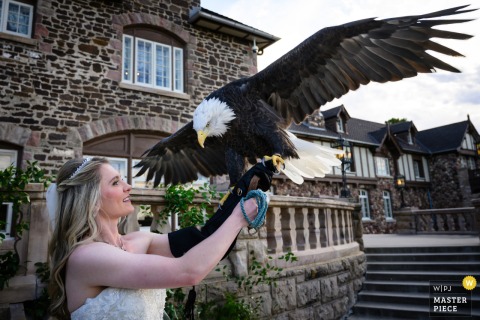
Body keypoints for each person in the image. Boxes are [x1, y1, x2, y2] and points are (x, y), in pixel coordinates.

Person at [47, 156, 273, 320]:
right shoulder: (87, 256)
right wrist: (239, 218)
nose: (128, 187)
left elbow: (203, 237)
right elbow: (189, 271)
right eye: (116, 182)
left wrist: (240, 191)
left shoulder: (137, 240)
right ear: (91, 199)